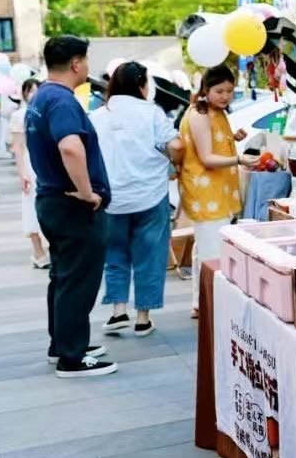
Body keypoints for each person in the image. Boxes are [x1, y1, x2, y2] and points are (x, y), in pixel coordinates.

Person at [25, 36, 116, 378]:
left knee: (63, 276)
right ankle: (72, 358)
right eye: (86, 60)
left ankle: (63, 344)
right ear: (76, 63)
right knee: (78, 279)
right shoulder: (62, 101)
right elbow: (70, 148)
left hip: (52, 201)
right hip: (72, 206)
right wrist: (88, 193)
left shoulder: (42, 96)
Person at [90, 62, 182, 336]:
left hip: (111, 199)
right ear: (142, 85)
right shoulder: (151, 113)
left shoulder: (97, 116)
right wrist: (173, 162)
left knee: (114, 254)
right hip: (149, 195)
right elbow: (176, 145)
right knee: (150, 255)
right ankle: (143, 318)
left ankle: (118, 311)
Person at [179, 64, 256, 318]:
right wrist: (240, 159)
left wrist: (233, 137)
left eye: (230, 91)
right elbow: (207, 157)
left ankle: (200, 303)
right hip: (207, 192)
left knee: (205, 248)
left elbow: (212, 141)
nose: (225, 96)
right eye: (219, 91)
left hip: (216, 191)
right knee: (212, 251)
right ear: (206, 89)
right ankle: (210, 304)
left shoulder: (212, 111)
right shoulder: (200, 114)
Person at [10, 78, 49, 267]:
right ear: (24, 93)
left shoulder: (45, 111)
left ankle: (50, 248)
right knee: (31, 206)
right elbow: (17, 147)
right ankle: (38, 252)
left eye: (37, 90)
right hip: (29, 164)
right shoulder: (19, 115)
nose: (34, 94)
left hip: (46, 163)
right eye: (31, 90)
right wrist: (22, 173)